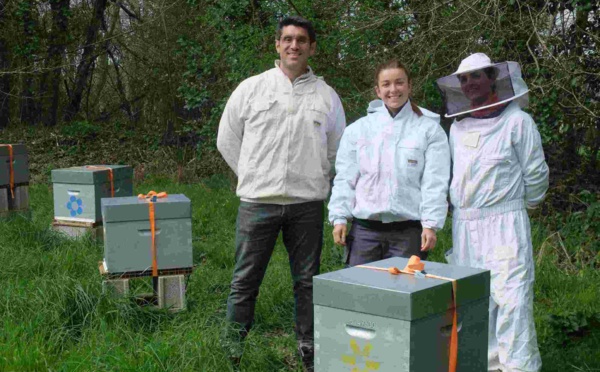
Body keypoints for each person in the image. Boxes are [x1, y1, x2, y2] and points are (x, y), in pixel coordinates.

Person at [216, 16, 346, 371]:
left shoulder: (326, 95)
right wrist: (254, 175)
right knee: (244, 281)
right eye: (287, 39)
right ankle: (233, 351)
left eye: (301, 40)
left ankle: (309, 350)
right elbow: (227, 139)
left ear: (311, 47)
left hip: (307, 205)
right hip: (258, 203)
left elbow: (338, 149)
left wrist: (317, 177)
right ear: (277, 45)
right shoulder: (252, 88)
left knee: (307, 283)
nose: (294, 45)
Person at [437, 53, 549, 372]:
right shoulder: (458, 128)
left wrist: (522, 207)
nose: (469, 84)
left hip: (506, 223)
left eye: (476, 77)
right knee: (474, 301)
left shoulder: (518, 121)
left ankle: (518, 366)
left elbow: (536, 174)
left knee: (512, 299)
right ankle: (485, 364)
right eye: (463, 79)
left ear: (492, 78)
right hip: (465, 225)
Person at [328, 60, 450, 266]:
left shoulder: (429, 130)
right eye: (386, 84)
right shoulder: (358, 130)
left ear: (410, 86)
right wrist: (339, 217)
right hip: (365, 232)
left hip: (408, 233)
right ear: (377, 90)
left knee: (404, 293)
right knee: (361, 293)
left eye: (399, 83)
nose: (393, 89)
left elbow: (435, 182)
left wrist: (430, 224)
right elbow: (345, 178)